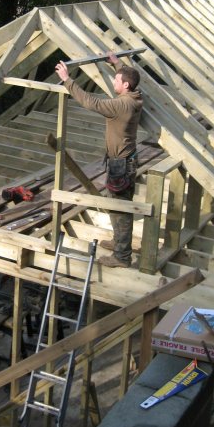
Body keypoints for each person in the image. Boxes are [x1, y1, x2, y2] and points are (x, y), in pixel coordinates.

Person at [55, 52, 143, 267]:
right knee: (118, 205)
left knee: (120, 207)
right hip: (126, 160)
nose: (114, 81)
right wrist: (117, 64)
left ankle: (122, 257)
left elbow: (89, 102)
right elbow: (128, 75)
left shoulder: (120, 106)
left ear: (126, 86)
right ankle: (119, 242)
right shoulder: (136, 96)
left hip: (120, 164)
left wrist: (67, 80)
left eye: (117, 80)